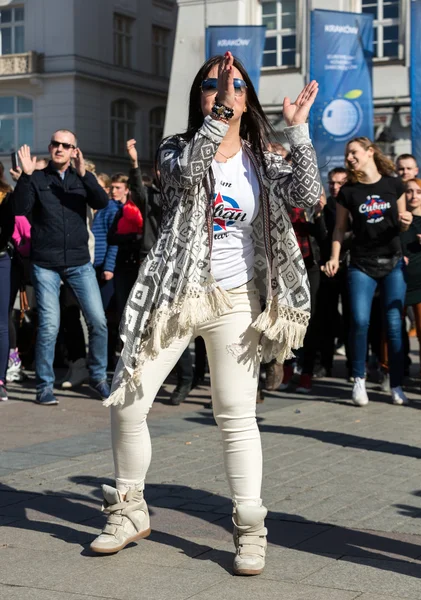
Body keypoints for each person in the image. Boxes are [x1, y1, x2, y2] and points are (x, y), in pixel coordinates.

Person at [90, 52, 321, 575]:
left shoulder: (262, 157)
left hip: (236, 299)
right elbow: (191, 171)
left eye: (235, 85)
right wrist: (218, 114)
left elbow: (308, 195)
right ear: (200, 98)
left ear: (248, 98)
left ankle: (249, 527)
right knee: (128, 399)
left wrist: (298, 134)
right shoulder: (176, 148)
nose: (225, 92)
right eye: (213, 85)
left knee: (235, 415)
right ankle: (128, 509)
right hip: (175, 294)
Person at [11, 130, 110, 405]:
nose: (60, 148)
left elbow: (102, 202)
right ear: (50, 146)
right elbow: (20, 208)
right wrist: (27, 176)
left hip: (79, 263)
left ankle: (99, 377)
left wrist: (85, 175)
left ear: (74, 151)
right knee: (49, 326)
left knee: (99, 322)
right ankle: (44, 386)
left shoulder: (81, 178)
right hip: (46, 265)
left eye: (66, 145)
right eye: (56, 144)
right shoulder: (38, 178)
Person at [324, 137, 412, 407]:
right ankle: (358, 379)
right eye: (347, 154)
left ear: (370, 152)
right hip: (361, 263)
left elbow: (402, 223)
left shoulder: (393, 184)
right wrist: (335, 257)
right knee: (360, 321)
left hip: (392, 261)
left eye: (354, 152)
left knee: (395, 325)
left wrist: (406, 224)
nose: (349, 157)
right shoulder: (348, 191)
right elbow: (339, 228)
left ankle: (395, 383)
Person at [316, 166, 351, 379]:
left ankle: (355, 366)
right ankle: (325, 363)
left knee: (352, 318)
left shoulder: (354, 203)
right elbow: (321, 239)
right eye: (332, 183)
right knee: (325, 318)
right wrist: (319, 215)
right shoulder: (326, 206)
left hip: (351, 267)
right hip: (327, 269)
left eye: (340, 183)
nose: (335, 187)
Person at [401, 178, 421, 374]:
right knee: (394, 331)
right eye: (409, 191)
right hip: (399, 283)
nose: (414, 195)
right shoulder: (400, 219)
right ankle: (392, 370)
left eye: (418, 191)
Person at [0, 163, 14, 400]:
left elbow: (8, 229)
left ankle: (0, 378)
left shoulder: (6, 195)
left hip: (1, 259)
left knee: (1, 323)